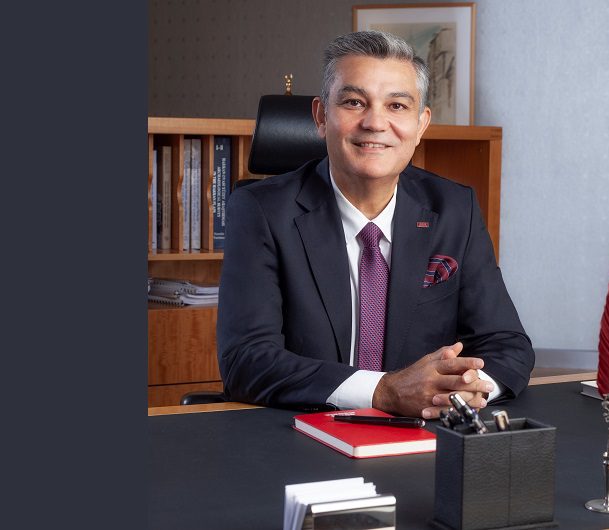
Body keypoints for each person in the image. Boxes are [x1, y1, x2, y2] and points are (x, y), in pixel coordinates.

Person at [216, 31, 534, 419]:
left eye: (397, 105)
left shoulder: (454, 208)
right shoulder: (261, 211)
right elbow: (246, 360)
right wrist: (382, 391)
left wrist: (462, 391)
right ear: (321, 116)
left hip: (420, 433)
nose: (375, 123)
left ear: (421, 124)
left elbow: (507, 345)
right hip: (303, 429)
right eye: (354, 102)